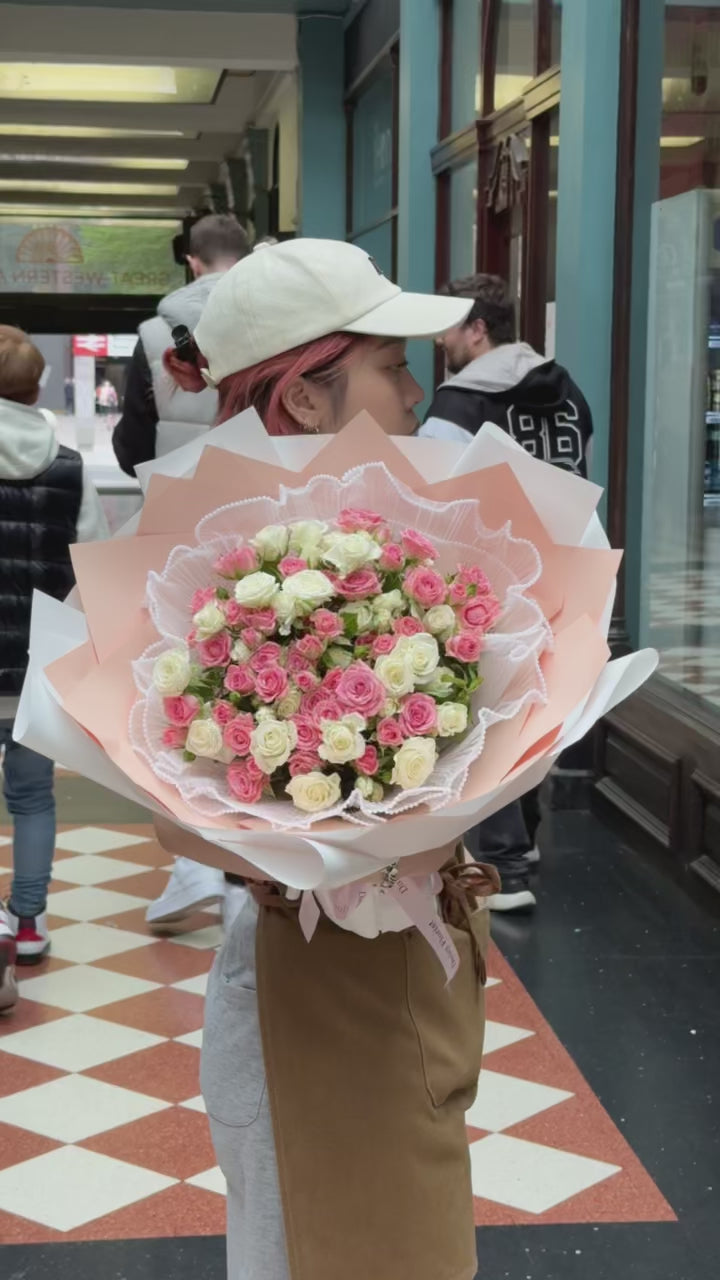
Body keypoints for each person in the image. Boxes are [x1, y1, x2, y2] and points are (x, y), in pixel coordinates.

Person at [162, 238, 491, 1280]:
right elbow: (168, 811)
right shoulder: (208, 569)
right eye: (393, 367)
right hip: (305, 979)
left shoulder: (408, 544)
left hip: (406, 968)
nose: (415, 390)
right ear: (306, 398)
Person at [422, 273, 594, 912]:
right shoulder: (569, 390)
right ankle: (528, 838)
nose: (441, 339)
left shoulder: (459, 405)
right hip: (564, 568)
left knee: (487, 707)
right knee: (539, 704)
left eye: (449, 326)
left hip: (488, 578)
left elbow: (433, 498)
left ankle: (503, 863)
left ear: (478, 329)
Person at [0, 326, 108, 1011]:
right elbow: (92, 566)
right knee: (32, 797)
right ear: (37, 388)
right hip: (34, 663)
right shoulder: (69, 466)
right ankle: (29, 922)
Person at [112, 213, 249, 477]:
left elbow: (134, 447)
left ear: (192, 262)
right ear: (246, 260)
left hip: (176, 496)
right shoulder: (278, 320)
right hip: (262, 497)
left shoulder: (153, 334)